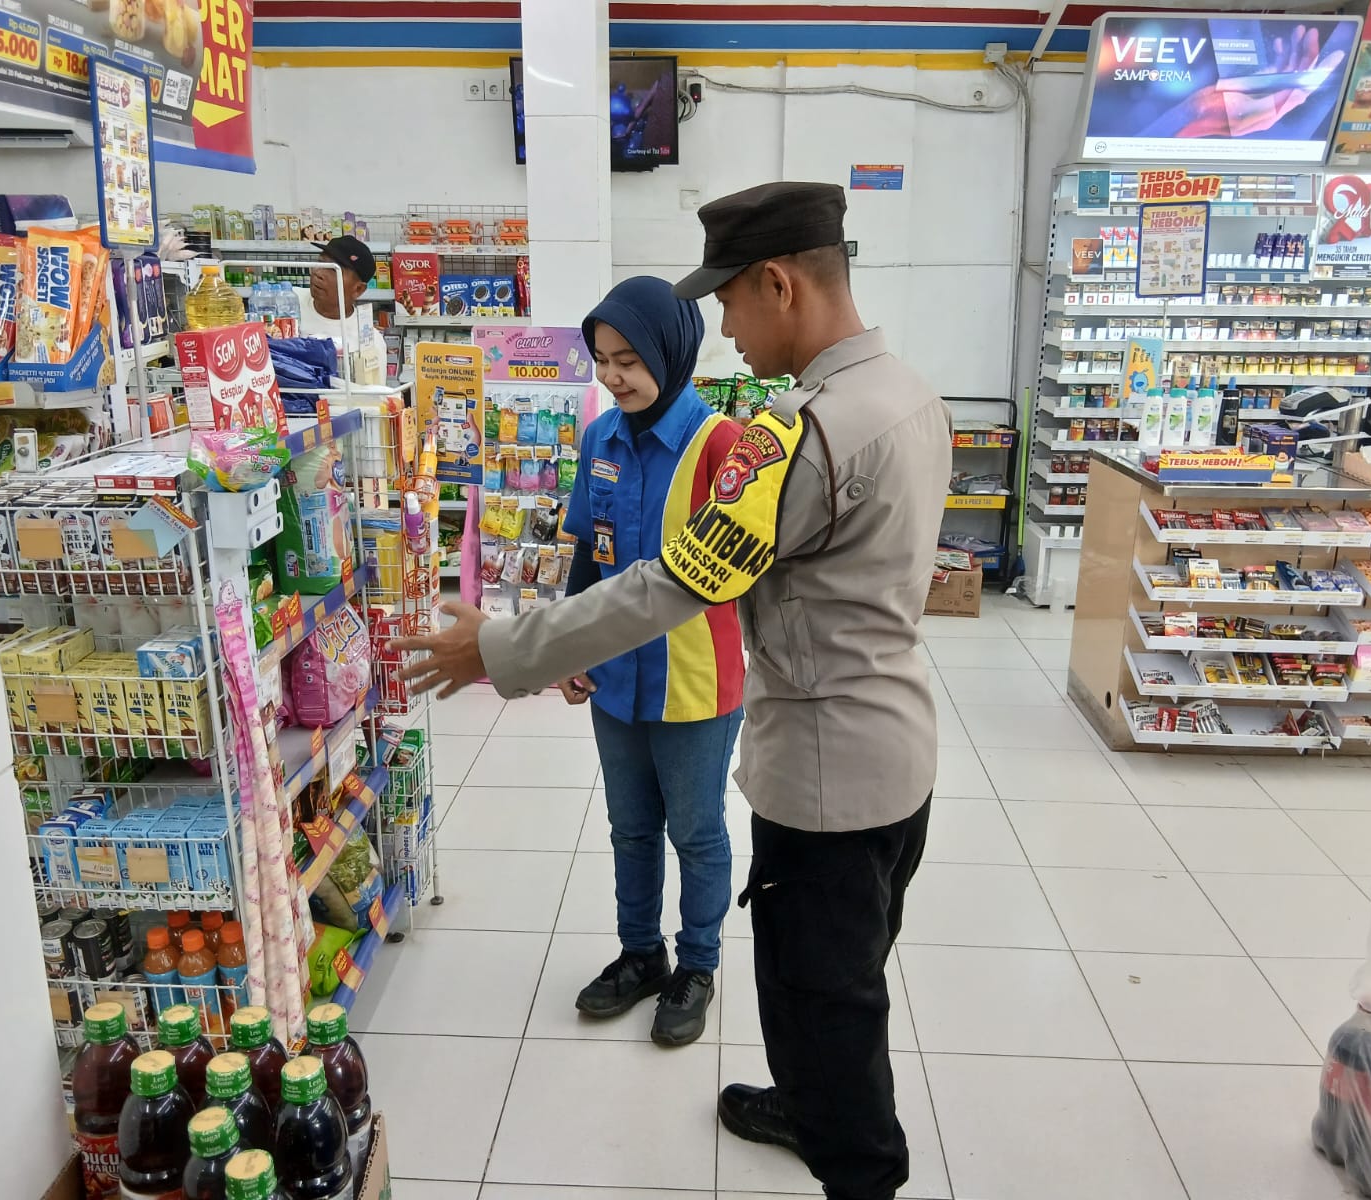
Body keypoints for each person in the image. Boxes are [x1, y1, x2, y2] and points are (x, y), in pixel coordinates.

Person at [393, 181, 952, 1200]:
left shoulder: (801, 434)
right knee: (848, 970)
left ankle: (857, 1163)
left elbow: (673, 584)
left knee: (824, 998)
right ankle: (811, 1106)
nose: (725, 328)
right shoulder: (910, 393)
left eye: (728, 300)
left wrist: (503, 650)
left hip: (825, 777)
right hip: (897, 749)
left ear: (778, 284)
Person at [559, 275, 746, 1047]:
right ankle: (641, 954)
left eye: (629, 360)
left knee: (696, 831)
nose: (613, 376)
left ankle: (697, 964)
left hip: (695, 679)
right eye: (602, 360)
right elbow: (587, 552)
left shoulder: (721, 447)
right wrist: (569, 643)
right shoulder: (600, 438)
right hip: (615, 677)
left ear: (670, 353)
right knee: (630, 828)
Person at [297, 235, 387, 385]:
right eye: (320, 263)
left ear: (358, 289)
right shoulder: (287, 302)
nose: (318, 273)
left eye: (333, 270)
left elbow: (373, 397)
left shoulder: (369, 342)